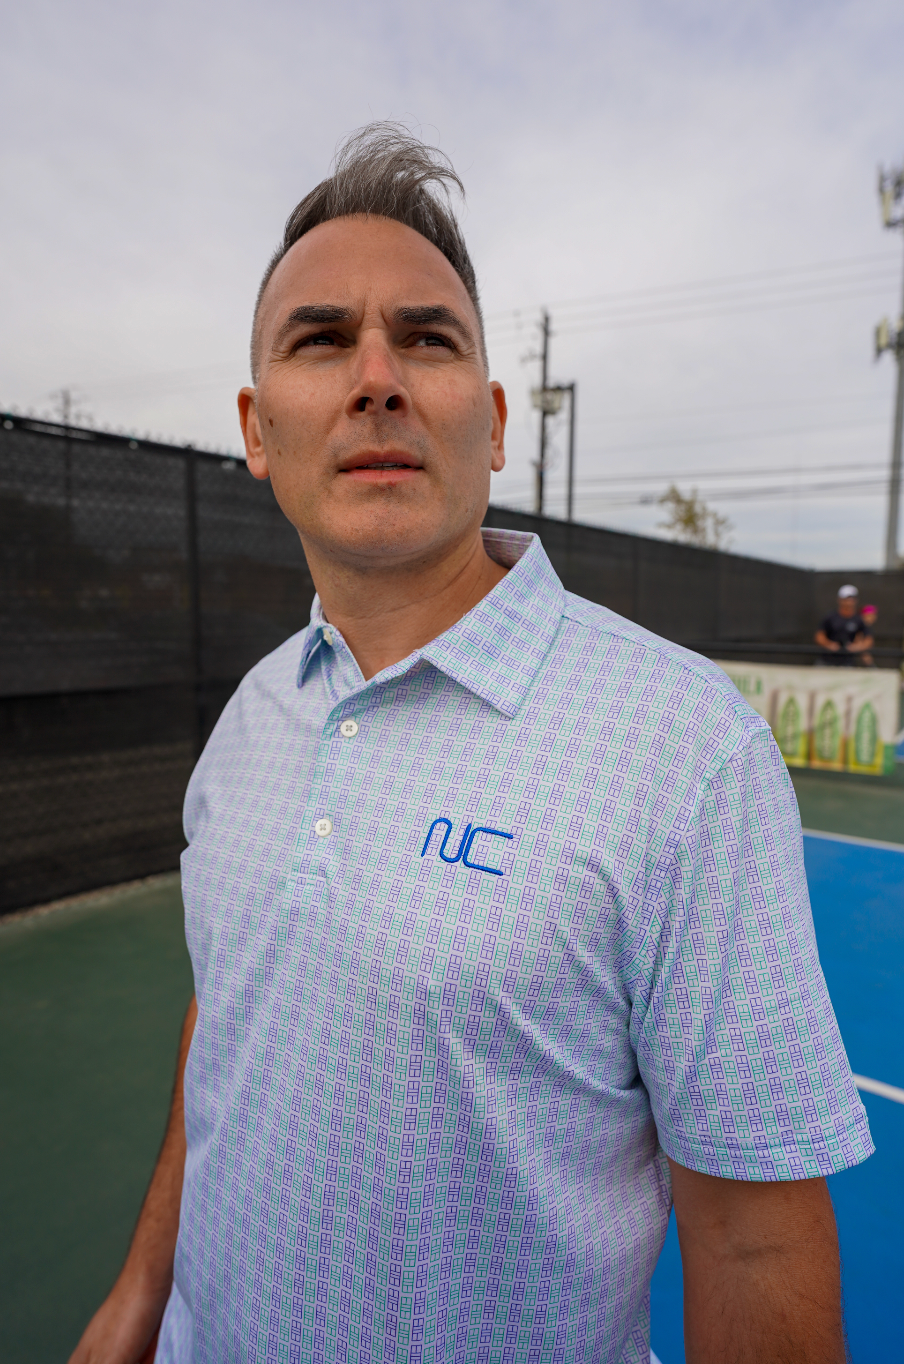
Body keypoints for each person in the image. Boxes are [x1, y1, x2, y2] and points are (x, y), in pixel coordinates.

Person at [71, 124, 872, 1364]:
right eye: (322, 337)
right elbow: (225, 1021)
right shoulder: (248, 721)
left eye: (427, 338)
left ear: (492, 423)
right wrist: (138, 1294)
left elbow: (754, 1240)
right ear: (256, 427)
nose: (376, 375)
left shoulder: (683, 747)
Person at [814, 584, 873, 665]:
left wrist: (857, 647)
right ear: (839, 599)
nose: (849, 602)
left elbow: (868, 640)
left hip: (847, 662)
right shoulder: (830, 617)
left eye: (852, 598)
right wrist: (829, 644)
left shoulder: (858, 620)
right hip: (826, 661)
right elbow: (819, 636)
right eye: (846, 598)